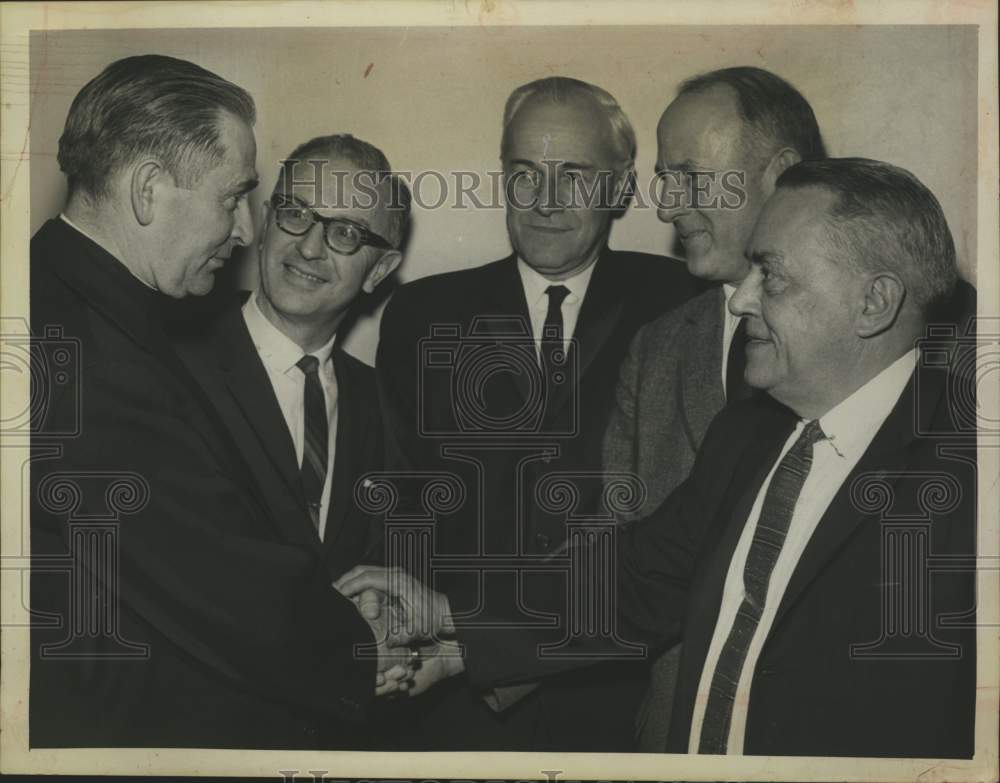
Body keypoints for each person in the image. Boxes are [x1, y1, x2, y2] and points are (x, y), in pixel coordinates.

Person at [341, 158, 977, 759]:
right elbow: (636, 583)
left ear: (874, 302)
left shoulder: (971, 474)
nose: (740, 300)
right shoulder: (746, 436)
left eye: (772, 276)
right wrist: (448, 617)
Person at [29, 55, 408, 749]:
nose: (243, 231)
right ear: (149, 189)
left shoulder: (74, 306)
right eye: (234, 198)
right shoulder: (85, 342)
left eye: (347, 232)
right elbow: (198, 564)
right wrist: (357, 652)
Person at [373, 76, 699, 750]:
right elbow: (399, 499)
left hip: (623, 694)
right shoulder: (422, 314)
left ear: (619, 187)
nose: (545, 200)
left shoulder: (683, 303)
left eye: (573, 175)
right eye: (524, 174)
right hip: (452, 696)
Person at [602, 65, 828, 748]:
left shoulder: (873, 337)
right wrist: (459, 636)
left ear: (779, 175)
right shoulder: (657, 346)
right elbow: (617, 558)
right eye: (664, 180)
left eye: (691, 179)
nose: (667, 207)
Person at [175, 134, 407, 580]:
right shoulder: (174, 358)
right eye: (296, 214)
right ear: (266, 224)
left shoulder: (384, 408)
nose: (309, 248)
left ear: (378, 270)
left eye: (346, 233)